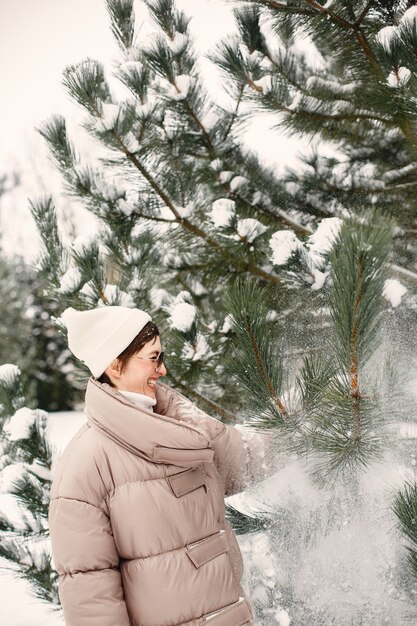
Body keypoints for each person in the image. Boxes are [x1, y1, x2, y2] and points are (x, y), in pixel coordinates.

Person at [49, 305, 270, 626]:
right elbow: (89, 591)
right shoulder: (84, 465)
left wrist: (312, 422)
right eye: (153, 358)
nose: (163, 369)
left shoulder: (186, 427)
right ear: (114, 364)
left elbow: (248, 460)